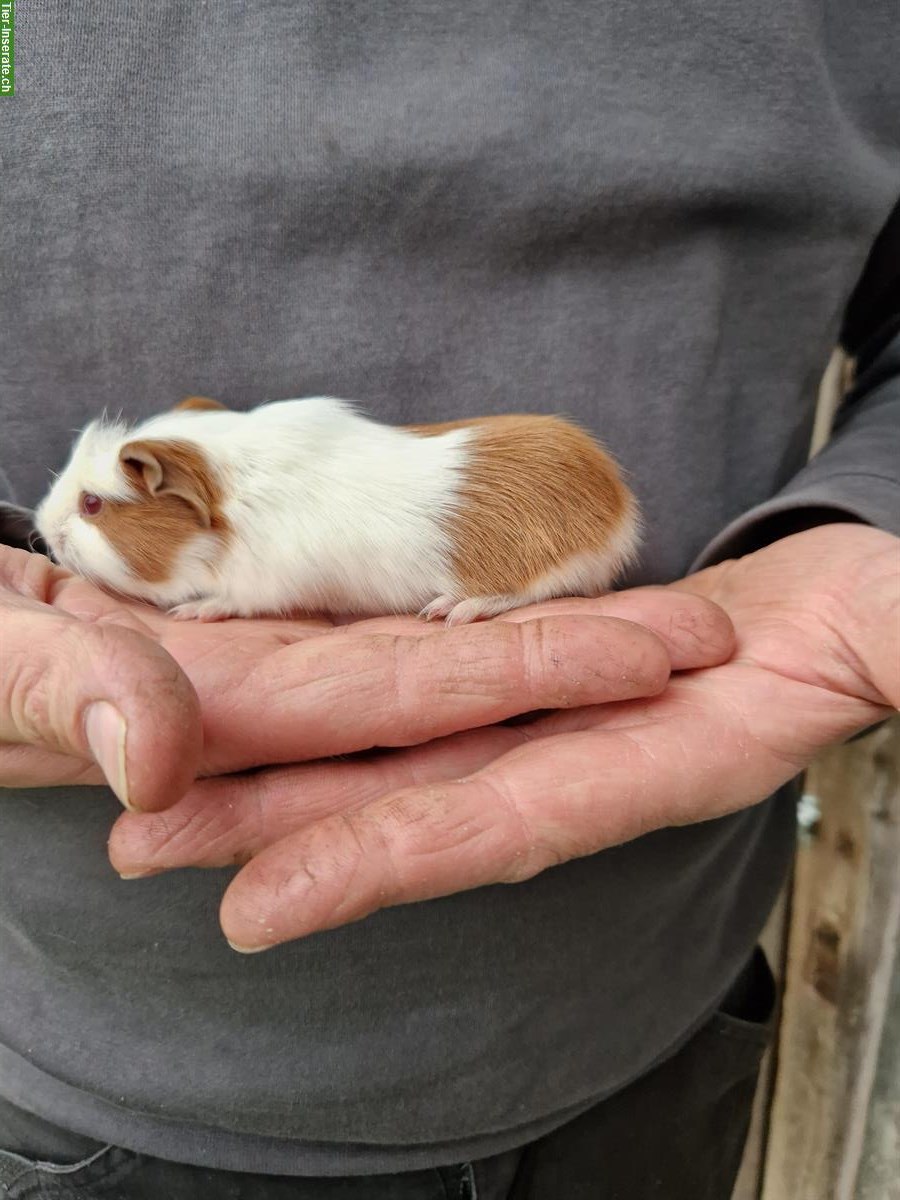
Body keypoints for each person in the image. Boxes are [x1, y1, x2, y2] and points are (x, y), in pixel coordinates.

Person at [1, 4, 898, 1197]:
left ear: (183, 485)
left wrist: (871, 527)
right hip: (100, 1071)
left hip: (665, 1002)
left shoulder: (272, 520)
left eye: (99, 508)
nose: (69, 525)